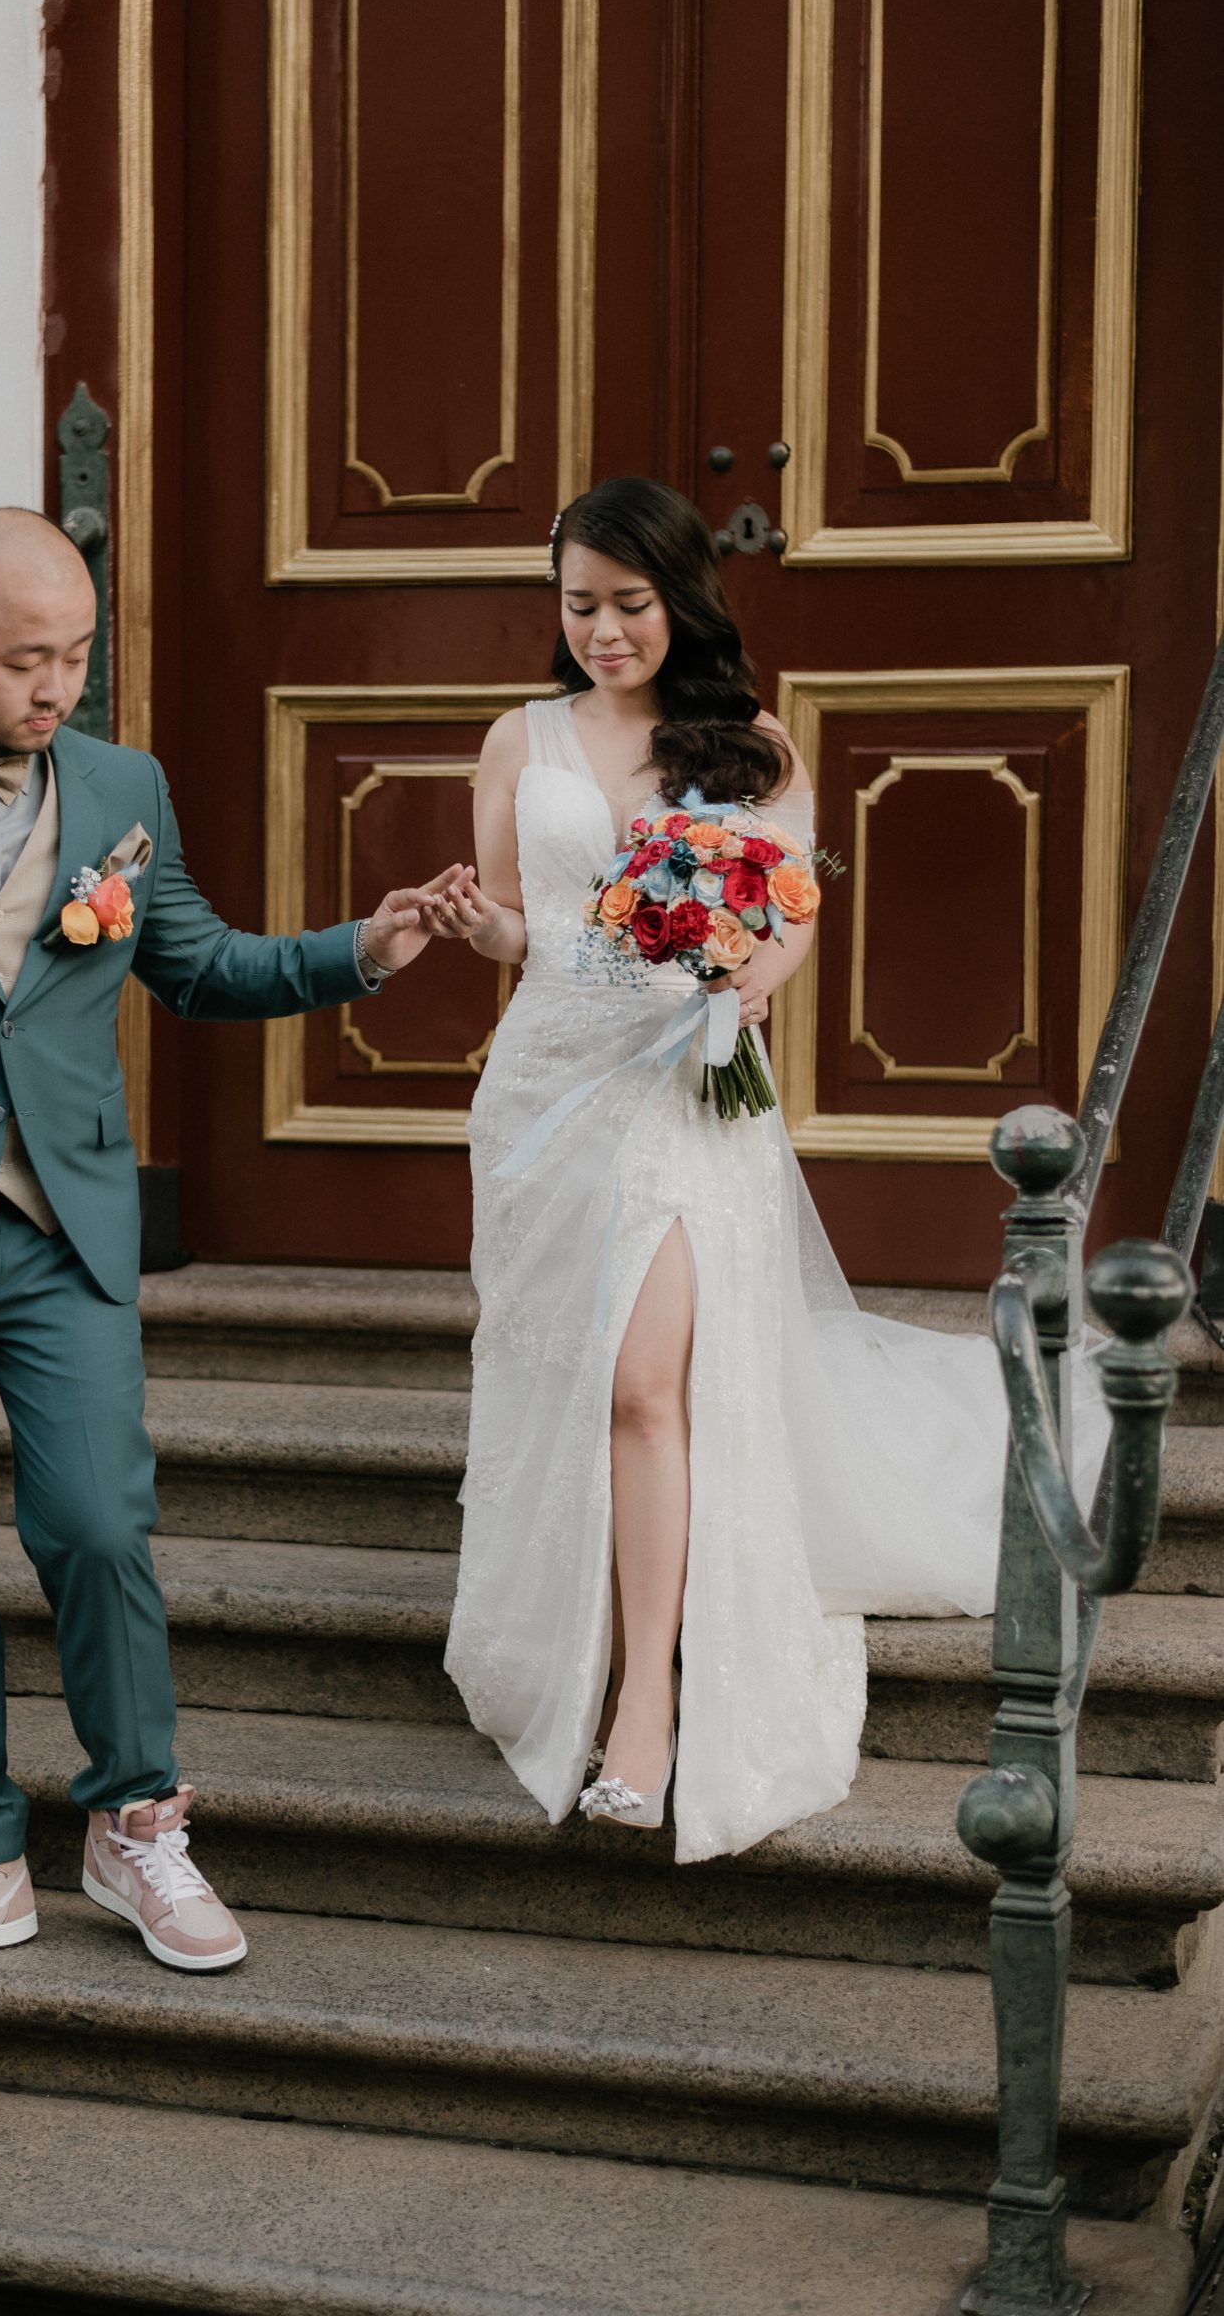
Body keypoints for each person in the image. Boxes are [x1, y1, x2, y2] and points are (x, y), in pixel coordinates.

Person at [0, 506, 461, 1981]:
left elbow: (200, 964)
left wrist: (361, 950)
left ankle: (135, 1827)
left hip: (64, 1233)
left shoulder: (123, 785)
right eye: (27, 661)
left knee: (101, 1528)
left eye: (77, 656)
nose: (58, 688)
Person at [425, 476, 1106, 1860]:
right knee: (576, 1378)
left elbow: (788, 915)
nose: (604, 632)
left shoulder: (751, 748)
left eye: (630, 604)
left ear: (681, 599)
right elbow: (524, 926)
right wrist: (474, 926)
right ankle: (577, 1631)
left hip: (686, 1086)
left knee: (644, 1385)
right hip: (548, 1093)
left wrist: (745, 983)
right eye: (580, 606)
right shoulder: (517, 738)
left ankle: (648, 1701)